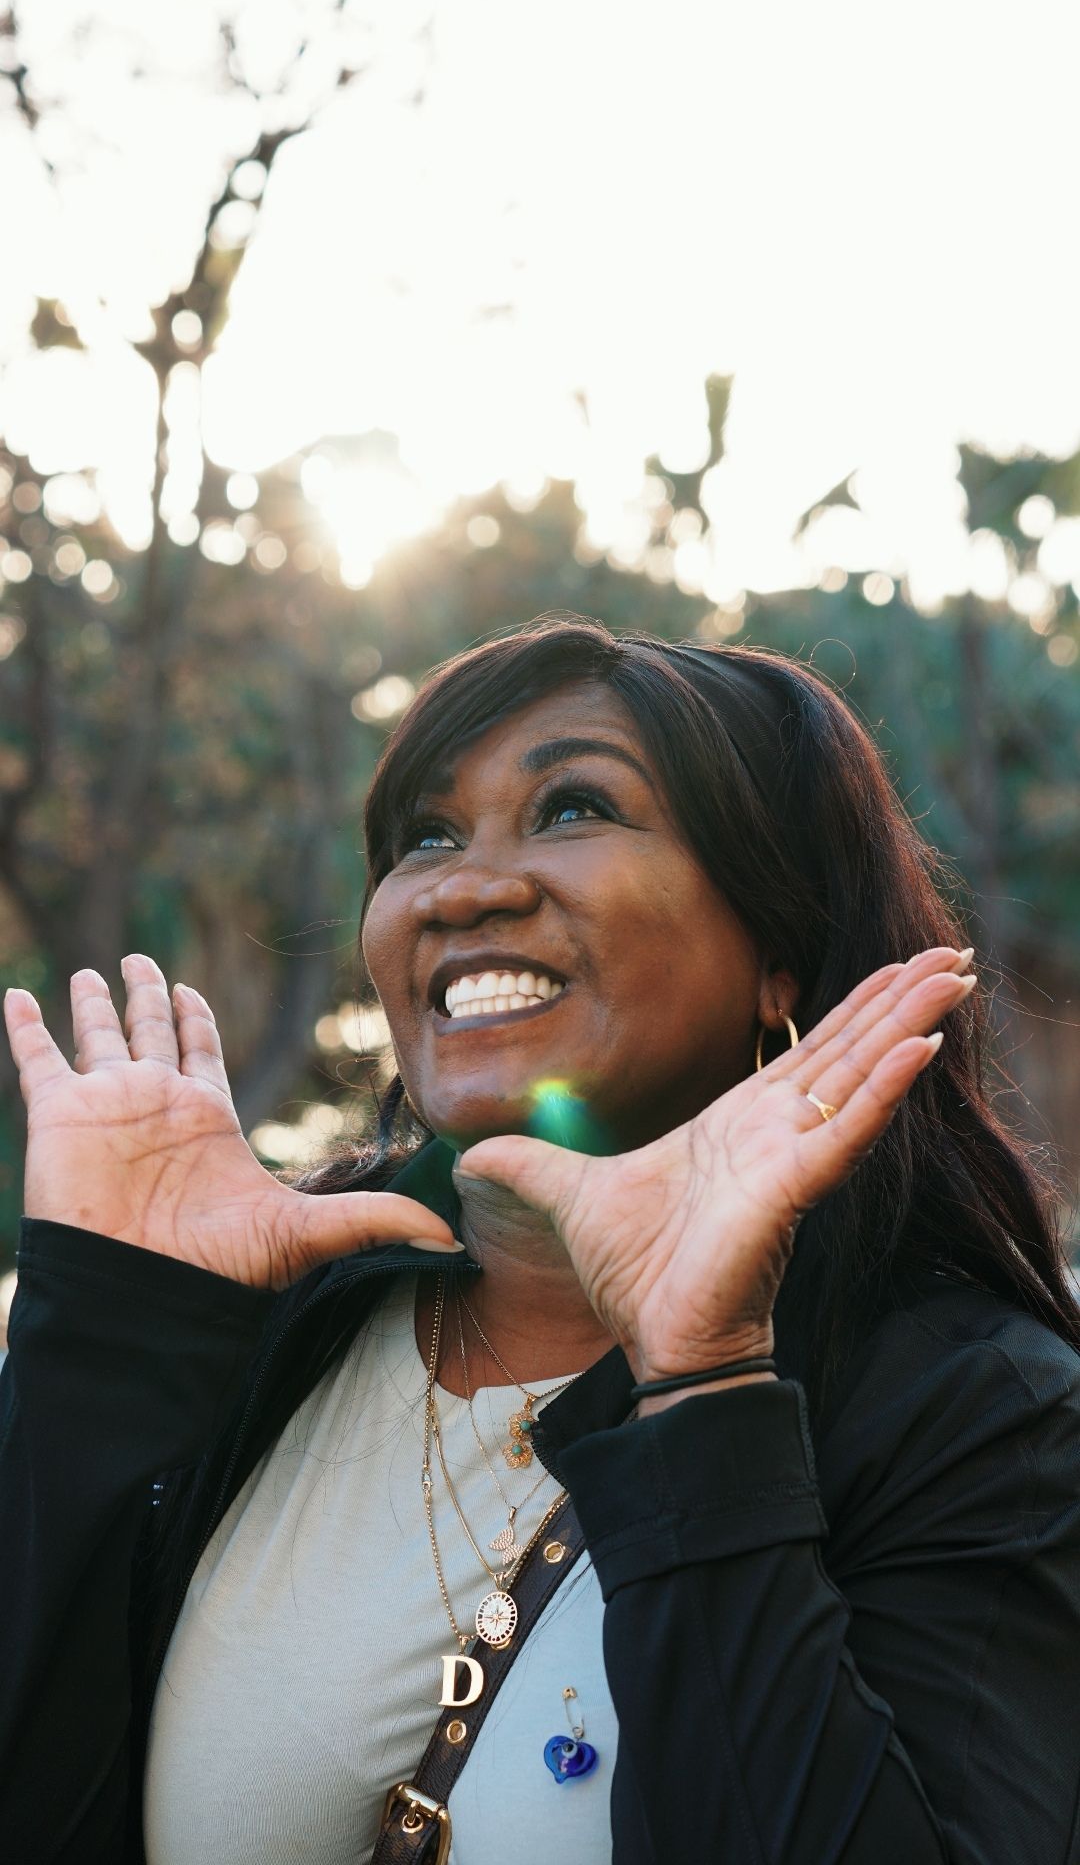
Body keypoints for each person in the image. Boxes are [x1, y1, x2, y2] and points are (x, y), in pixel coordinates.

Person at [3, 616, 1079, 1865]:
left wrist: (707, 1383)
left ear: (777, 955)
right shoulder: (281, 1327)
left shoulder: (978, 1412)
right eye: (426, 835)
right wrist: (103, 1342)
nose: (464, 887)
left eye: (574, 808)